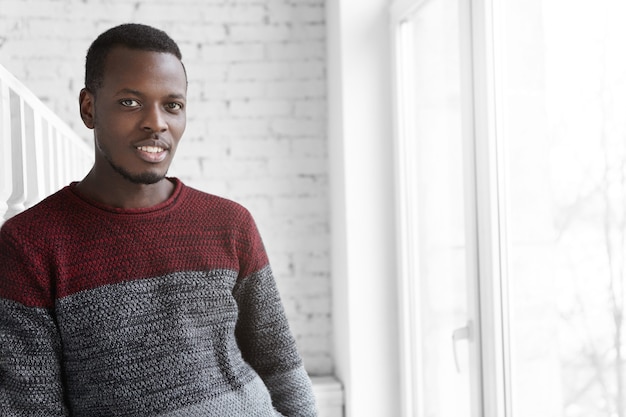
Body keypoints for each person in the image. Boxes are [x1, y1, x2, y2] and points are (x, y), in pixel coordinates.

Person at [0, 23, 317, 417]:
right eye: (130, 102)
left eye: (172, 105)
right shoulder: (29, 242)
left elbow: (280, 365)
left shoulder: (230, 224)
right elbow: (30, 406)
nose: (157, 122)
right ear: (89, 108)